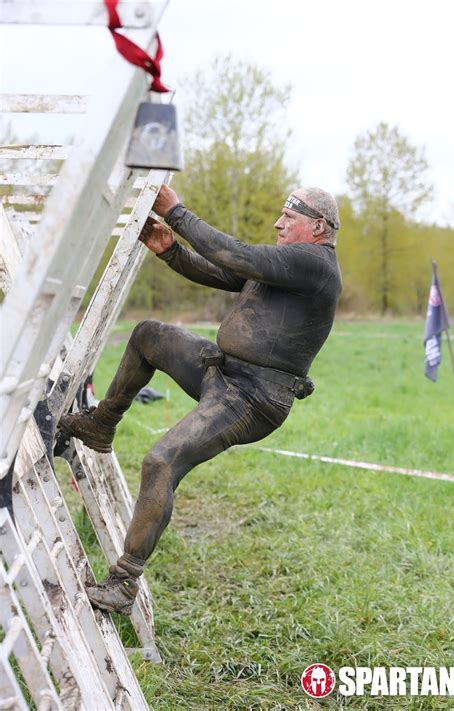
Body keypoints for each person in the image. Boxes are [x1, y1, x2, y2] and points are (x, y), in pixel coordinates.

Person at [59, 184, 342, 615]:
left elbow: (236, 254)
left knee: (161, 461)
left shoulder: (316, 265)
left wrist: (177, 212)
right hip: (223, 371)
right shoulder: (288, 267)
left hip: (253, 398)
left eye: (290, 216)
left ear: (318, 227)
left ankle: (123, 582)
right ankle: (102, 424)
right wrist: (169, 250)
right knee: (149, 335)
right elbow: (221, 271)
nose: (278, 223)